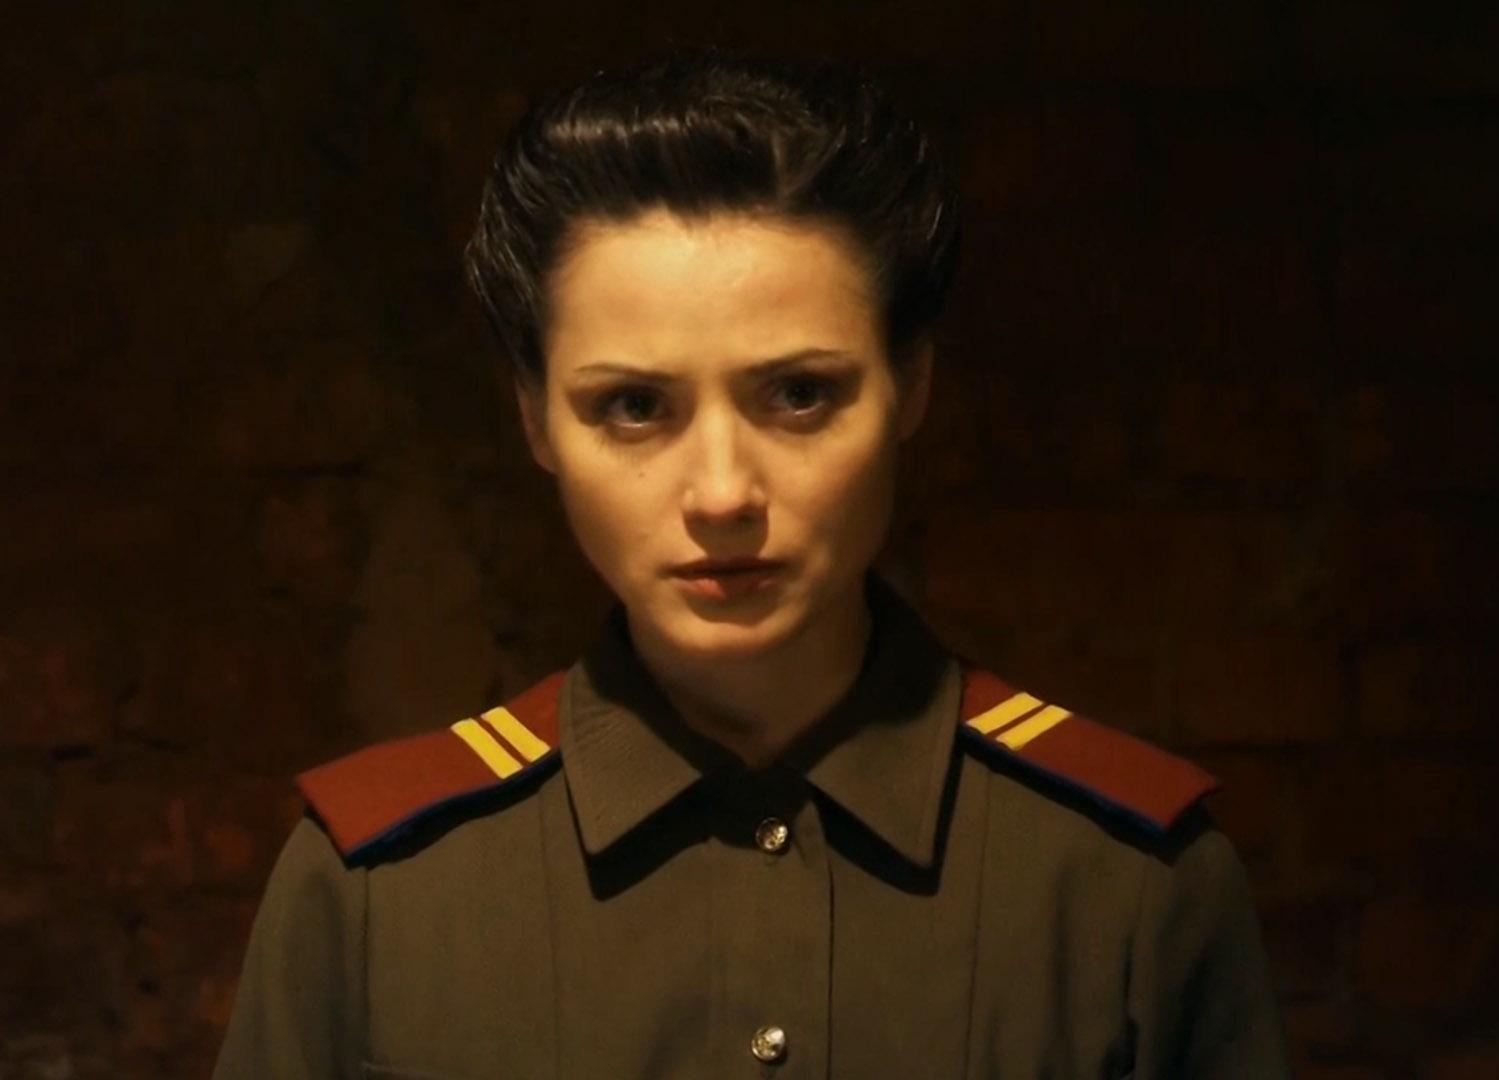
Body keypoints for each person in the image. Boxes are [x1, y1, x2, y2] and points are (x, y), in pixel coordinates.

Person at [214, 47, 1288, 1079]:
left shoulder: (1127, 887)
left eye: (799, 395)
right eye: (634, 407)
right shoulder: (375, 892)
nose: (722, 493)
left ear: (912, 386)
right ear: (535, 420)